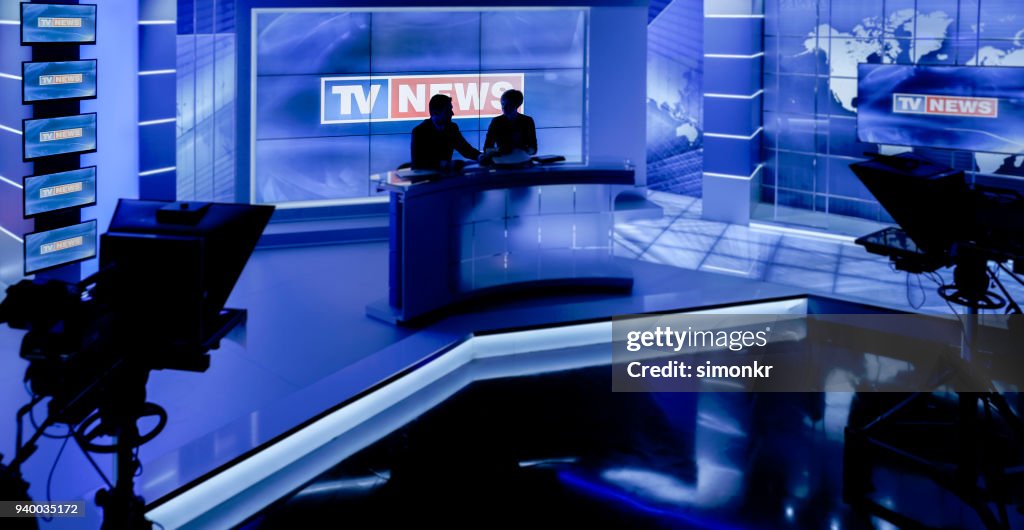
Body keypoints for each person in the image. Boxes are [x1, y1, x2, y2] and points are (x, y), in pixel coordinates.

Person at [410, 94, 481, 171]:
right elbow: (417, 163)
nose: (452, 113)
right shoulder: (419, 132)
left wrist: (480, 156)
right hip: (427, 179)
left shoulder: (452, 128)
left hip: (447, 177)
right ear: (436, 113)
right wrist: (444, 164)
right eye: (448, 110)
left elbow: (465, 149)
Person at [483, 89, 537, 157]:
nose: (504, 108)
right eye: (502, 104)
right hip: (502, 160)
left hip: (522, 160)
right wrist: (499, 151)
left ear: (517, 105)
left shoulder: (528, 121)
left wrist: (521, 150)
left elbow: (534, 149)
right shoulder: (496, 121)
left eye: (508, 105)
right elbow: (487, 148)